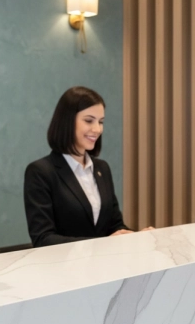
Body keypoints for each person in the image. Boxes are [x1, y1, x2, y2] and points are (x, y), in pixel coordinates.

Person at [24, 86, 150, 247]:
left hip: (106, 262)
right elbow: (43, 239)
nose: (97, 129)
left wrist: (138, 236)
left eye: (101, 122)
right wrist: (101, 243)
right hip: (64, 263)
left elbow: (115, 226)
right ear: (67, 121)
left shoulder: (102, 168)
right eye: (89, 120)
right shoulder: (40, 172)